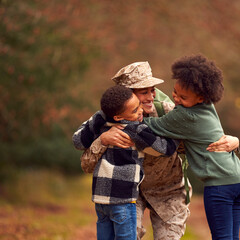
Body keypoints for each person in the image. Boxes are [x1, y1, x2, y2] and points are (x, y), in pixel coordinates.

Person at [73, 61, 240, 240]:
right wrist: (102, 140)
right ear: (126, 95)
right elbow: (86, 163)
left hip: (169, 191)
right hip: (128, 193)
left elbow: (208, 134)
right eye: (143, 91)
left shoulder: (169, 113)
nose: (151, 96)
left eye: (152, 90)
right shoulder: (109, 118)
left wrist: (235, 142)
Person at [143, 54, 240, 240]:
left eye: (183, 97)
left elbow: (153, 126)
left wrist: (122, 120)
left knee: (222, 237)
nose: (176, 99)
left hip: (220, 185)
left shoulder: (185, 116)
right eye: (174, 92)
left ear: (200, 97)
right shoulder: (208, 105)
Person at [73, 85, 179, 240]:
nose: (140, 111)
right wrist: (177, 133)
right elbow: (164, 149)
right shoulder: (135, 128)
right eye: (135, 110)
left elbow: (77, 140)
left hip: (100, 199)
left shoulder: (100, 119)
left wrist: (99, 137)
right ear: (118, 117)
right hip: (123, 199)